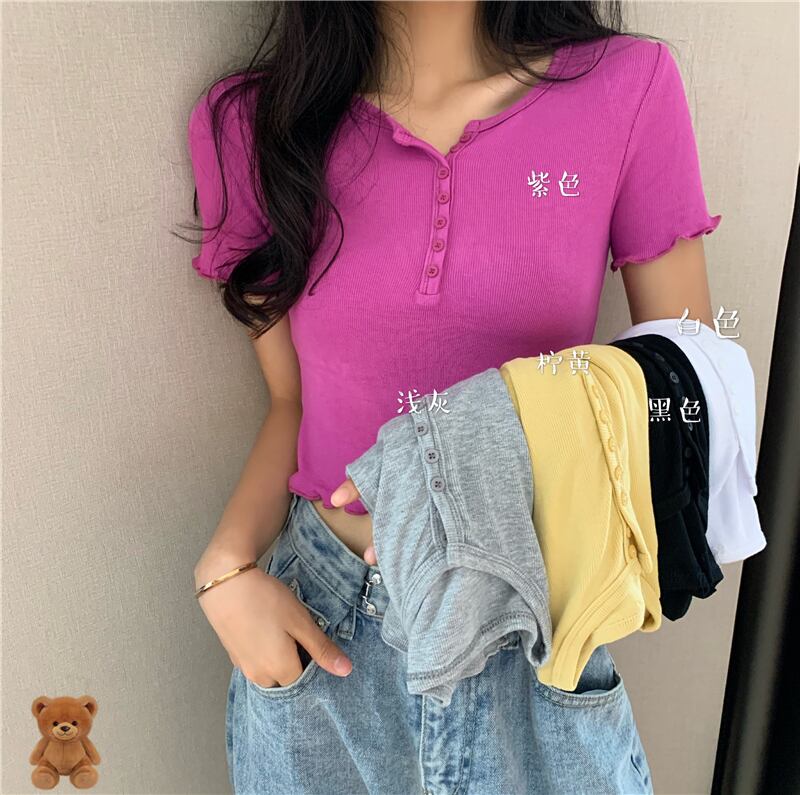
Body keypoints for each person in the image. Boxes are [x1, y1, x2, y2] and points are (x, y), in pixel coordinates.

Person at [188, 3, 721, 792]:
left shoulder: (626, 88)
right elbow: (291, 402)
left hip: (529, 626)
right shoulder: (254, 124)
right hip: (322, 634)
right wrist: (225, 568)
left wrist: (479, 451)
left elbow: (686, 399)